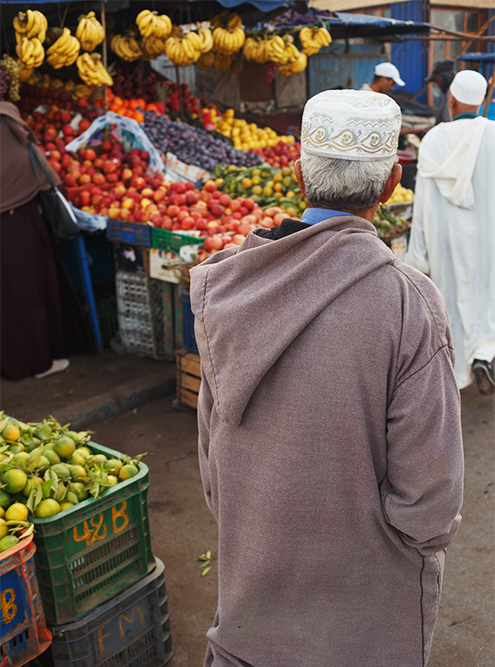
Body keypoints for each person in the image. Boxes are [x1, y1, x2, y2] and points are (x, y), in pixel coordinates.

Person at [190, 90, 464, 667]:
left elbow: (215, 469)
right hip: (363, 628)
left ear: (297, 175)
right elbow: (431, 503)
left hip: (249, 619)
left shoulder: (228, 287)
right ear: (392, 185)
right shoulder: (408, 302)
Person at [406, 70, 495, 395]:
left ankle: (453, 376)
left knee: (449, 307)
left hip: (445, 242)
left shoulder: (434, 139)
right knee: (488, 300)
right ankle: (484, 355)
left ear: (452, 101)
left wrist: (418, 257)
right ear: (484, 101)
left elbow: (423, 201)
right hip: (489, 239)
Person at [0, 101, 92, 381]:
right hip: (18, 222)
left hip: (14, 220)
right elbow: (43, 174)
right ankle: (34, 362)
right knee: (27, 290)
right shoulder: (9, 127)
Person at [425, 59, 456, 125]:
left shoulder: (451, 95)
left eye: (438, 82)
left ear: (444, 79)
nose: (438, 86)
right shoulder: (448, 93)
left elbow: (448, 123)